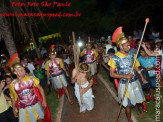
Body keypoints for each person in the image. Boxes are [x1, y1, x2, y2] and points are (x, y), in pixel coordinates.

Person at [108, 32, 145, 122]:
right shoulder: (114, 58)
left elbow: (135, 66)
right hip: (124, 84)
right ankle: (129, 120)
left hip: (135, 81)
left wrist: (142, 76)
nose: (130, 47)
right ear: (120, 46)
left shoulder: (132, 53)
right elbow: (112, 74)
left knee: (139, 100)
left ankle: (137, 108)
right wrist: (125, 76)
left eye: (129, 45)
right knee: (127, 105)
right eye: (127, 46)